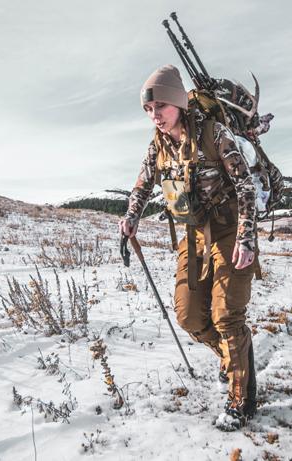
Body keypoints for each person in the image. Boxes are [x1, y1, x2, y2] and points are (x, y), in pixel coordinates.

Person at [119, 64, 258, 430]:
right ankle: (234, 358)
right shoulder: (158, 145)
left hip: (229, 230)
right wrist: (131, 216)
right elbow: (142, 184)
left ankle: (240, 401)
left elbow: (245, 187)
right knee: (189, 316)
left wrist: (246, 238)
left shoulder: (214, 133)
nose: (155, 116)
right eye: (148, 110)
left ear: (178, 103)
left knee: (227, 315)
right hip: (193, 235)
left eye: (160, 107)